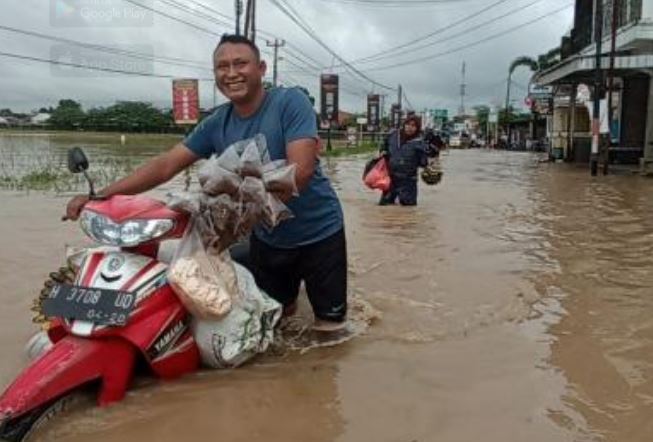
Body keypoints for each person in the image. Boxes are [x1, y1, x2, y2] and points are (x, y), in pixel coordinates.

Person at [64, 34, 347, 332]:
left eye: (241, 63)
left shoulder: (290, 102)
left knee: (330, 330)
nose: (232, 73)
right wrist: (99, 196)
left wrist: (231, 213)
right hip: (268, 239)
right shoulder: (216, 122)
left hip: (319, 234)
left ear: (262, 68)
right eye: (222, 66)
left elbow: (299, 171)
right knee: (279, 320)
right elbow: (165, 165)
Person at [378, 116, 427, 206]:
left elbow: (424, 163)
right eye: (408, 124)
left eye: (413, 125)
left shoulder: (420, 143)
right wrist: (382, 151)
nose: (410, 127)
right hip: (390, 177)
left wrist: (429, 161)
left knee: (408, 209)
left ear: (417, 128)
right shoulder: (393, 135)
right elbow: (384, 145)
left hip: (408, 181)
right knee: (384, 206)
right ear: (404, 125)